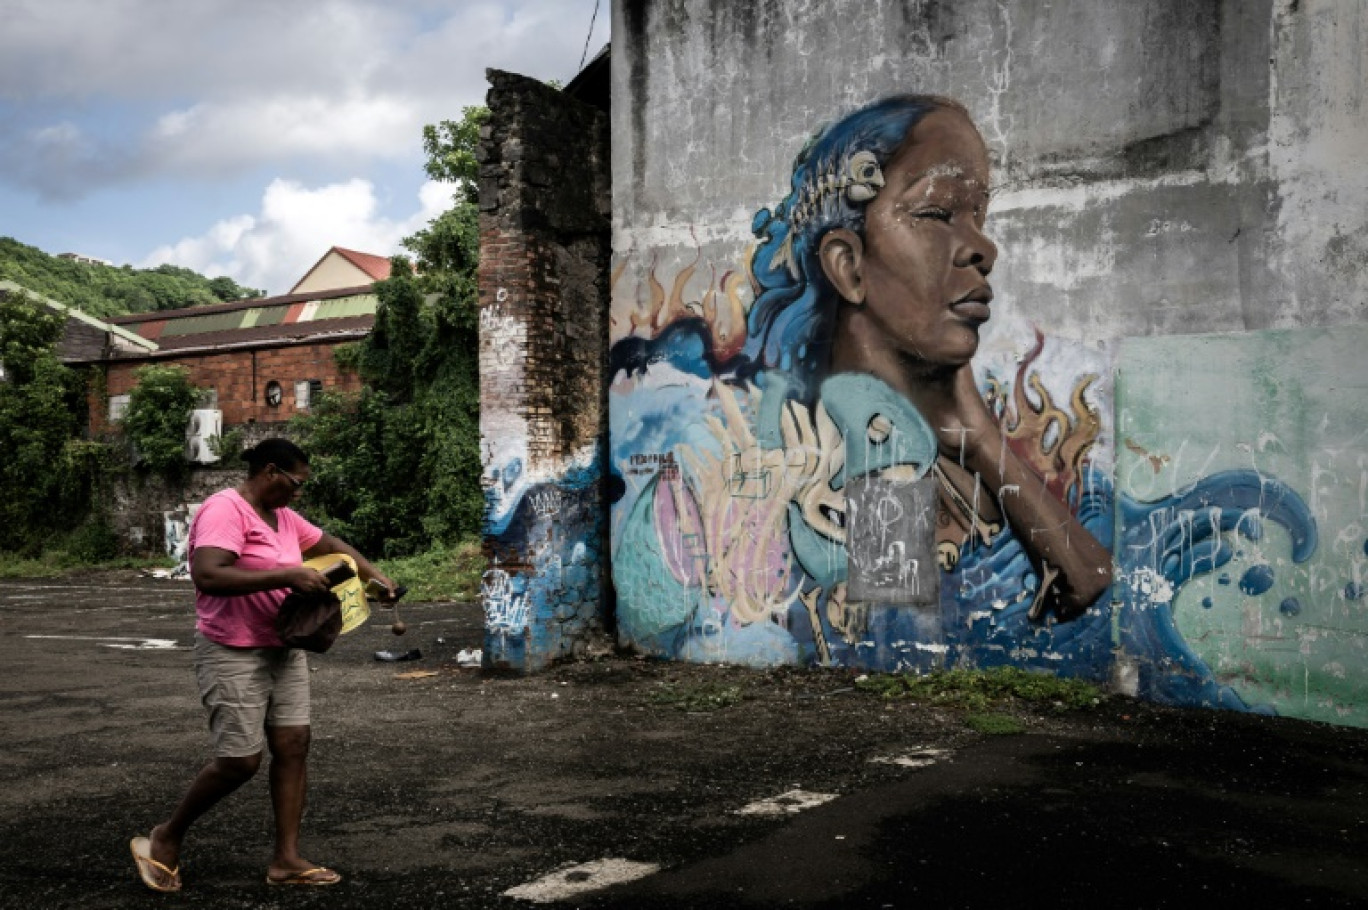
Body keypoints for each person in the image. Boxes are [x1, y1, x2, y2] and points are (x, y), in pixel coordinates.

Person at [745, 94, 1113, 624]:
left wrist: (977, 434)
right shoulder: (869, 440)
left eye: (978, 216)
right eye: (936, 212)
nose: (984, 248)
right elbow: (898, 651)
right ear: (848, 266)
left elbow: (1089, 580)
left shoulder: (951, 434)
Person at [130, 438, 395, 892]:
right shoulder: (225, 510)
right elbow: (208, 573)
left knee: (293, 745)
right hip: (232, 649)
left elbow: (331, 545)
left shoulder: (285, 518)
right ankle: (165, 835)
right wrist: (288, 574)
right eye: (294, 482)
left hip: (282, 647)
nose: (298, 493)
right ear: (270, 471)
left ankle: (286, 859)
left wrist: (374, 577)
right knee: (240, 761)